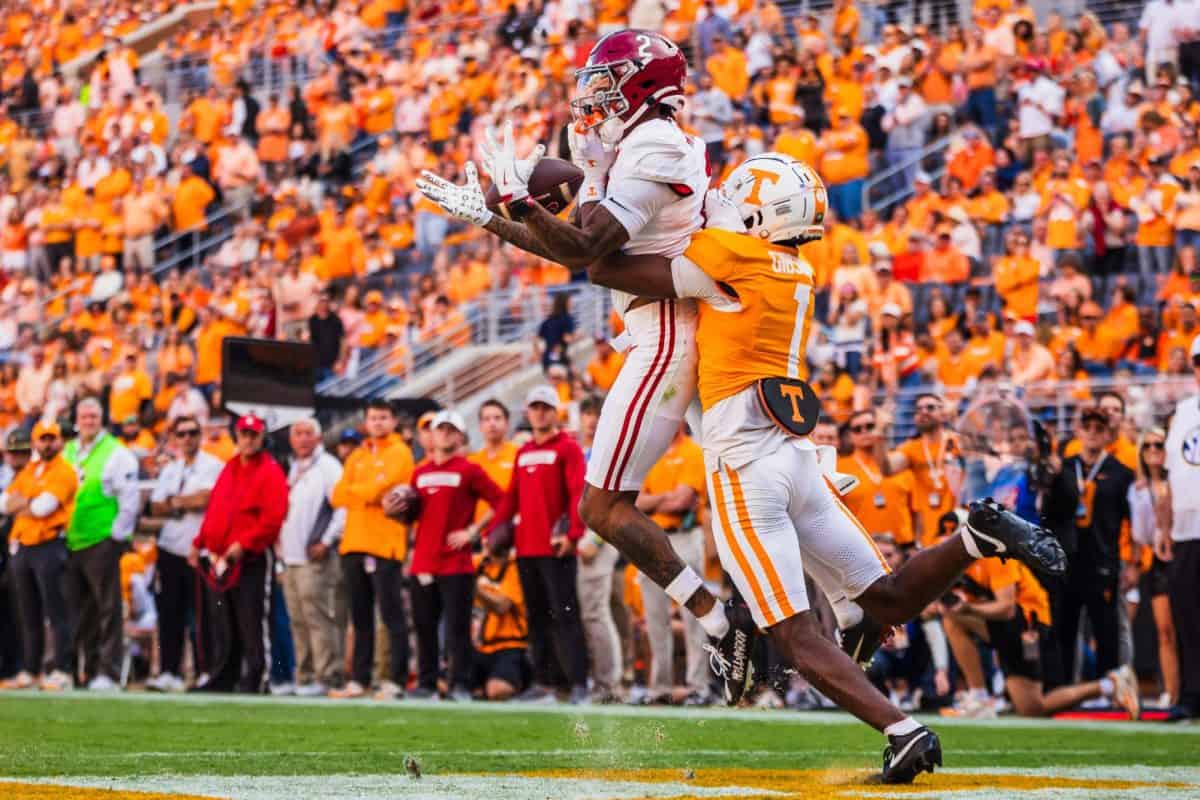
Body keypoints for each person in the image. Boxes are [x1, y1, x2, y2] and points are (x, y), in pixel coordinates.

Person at [586, 152, 1067, 783]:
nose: (724, 206)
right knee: (883, 600)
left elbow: (605, 264)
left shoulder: (731, 256)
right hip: (795, 462)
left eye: (736, 199)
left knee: (792, 633)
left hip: (746, 467)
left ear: (759, 211)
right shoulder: (797, 267)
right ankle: (974, 538)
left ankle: (902, 731)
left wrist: (586, 191)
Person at [418, 31, 755, 702]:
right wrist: (493, 213)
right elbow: (573, 250)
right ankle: (765, 617)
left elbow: (585, 251)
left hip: (663, 336)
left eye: (611, 75)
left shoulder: (654, 143)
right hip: (658, 329)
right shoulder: (633, 146)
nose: (596, 88)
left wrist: (517, 203)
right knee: (731, 487)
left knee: (600, 506)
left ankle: (723, 624)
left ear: (642, 82)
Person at [940, 548, 1140, 718]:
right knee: (1031, 708)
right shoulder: (960, 564)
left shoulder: (994, 556)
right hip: (1007, 625)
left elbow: (1007, 607)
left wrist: (968, 609)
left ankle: (980, 697)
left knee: (953, 619)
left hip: (1027, 626)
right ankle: (1111, 684)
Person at [483, 386, 590, 704]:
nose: (540, 413)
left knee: (566, 616)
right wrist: (493, 533)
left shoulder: (567, 448)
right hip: (527, 549)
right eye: (535, 407)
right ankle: (545, 683)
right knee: (538, 618)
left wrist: (573, 535)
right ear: (527, 413)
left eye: (545, 407)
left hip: (556, 548)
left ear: (555, 411)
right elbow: (509, 500)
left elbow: (577, 494)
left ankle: (578, 683)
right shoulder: (524, 451)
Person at [391, 410, 503, 701]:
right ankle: (427, 684)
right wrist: (399, 515)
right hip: (424, 561)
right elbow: (413, 515)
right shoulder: (419, 473)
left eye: (451, 430)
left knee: (457, 629)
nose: (445, 434)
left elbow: (500, 499)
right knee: (425, 627)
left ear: (460, 436)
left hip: (456, 562)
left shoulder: (469, 470)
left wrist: (473, 532)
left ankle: (460, 685)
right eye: (441, 429)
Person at [189, 414, 289, 693]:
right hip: (221, 558)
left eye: (252, 435)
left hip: (252, 558)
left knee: (253, 619)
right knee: (225, 621)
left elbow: (273, 517)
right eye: (243, 434)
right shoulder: (230, 467)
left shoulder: (270, 471)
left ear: (261, 438)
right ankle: (225, 675)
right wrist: (199, 542)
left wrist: (244, 544)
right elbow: (216, 510)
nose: (247, 440)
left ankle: (258, 676)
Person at [330, 399, 415, 700]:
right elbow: (337, 494)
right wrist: (365, 493)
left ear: (393, 421)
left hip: (385, 543)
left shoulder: (400, 452)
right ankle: (359, 679)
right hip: (354, 541)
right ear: (366, 422)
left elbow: (384, 488)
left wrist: (361, 492)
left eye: (383, 417)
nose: (378, 423)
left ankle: (396, 680)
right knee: (361, 616)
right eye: (373, 418)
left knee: (391, 615)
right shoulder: (358, 454)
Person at [63, 397, 141, 690]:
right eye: (84, 416)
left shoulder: (116, 453)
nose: (88, 421)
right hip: (71, 540)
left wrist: (117, 536)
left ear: (102, 419)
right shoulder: (68, 451)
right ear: (76, 419)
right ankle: (83, 670)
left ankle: (108, 671)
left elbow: (129, 498)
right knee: (80, 612)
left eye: (93, 416)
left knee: (108, 608)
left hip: (101, 540)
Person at [635, 424, 712, 705]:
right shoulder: (647, 453)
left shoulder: (693, 451)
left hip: (684, 536)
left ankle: (698, 686)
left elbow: (684, 501)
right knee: (655, 618)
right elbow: (635, 500)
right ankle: (659, 688)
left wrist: (654, 501)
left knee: (693, 614)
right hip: (653, 538)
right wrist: (664, 499)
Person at [146, 416, 223, 693]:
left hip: (199, 549)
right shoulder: (171, 469)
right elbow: (155, 506)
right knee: (169, 613)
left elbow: (208, 498)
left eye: (192, 433)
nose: (187, 438)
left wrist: (175, 503)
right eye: (182, 434)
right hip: (170, 546)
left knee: (201, 616)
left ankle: (205, 670)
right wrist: (182, 503)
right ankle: (169, 670)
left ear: (200, 435)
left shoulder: (213, 465)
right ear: (175, 438)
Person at [0, 421, 76, 691]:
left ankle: (63, 670)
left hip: (49, 543)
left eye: (51, 439)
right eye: (42, 439)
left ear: (59, 442)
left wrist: (24, 503)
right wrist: (28, 503)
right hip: (24, 545)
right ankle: (31, 670)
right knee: (28, 612)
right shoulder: (30, 470)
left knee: (56, 611)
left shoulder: (64, 471)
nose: (47, 444)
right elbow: (4, 503)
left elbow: (45, 508)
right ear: (35, 442)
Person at [277, 417, 345, 697]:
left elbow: (342, 508)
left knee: (317, 617)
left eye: (308, 434)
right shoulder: (293, 467)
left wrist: (327, 540)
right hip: (291, 556)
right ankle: (304, 676)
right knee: (297, 619)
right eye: (298, 434)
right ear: (291, 439)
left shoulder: (328, 467)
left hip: (314, 556)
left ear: (318, 438)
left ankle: (326, 675)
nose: (303, 439)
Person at [574, 395, 624, 703]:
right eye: (586, 413)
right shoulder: (578, 452)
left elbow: (617, 497)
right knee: (587, 614)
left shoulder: (610, 450)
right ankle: (598, 679)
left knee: (595, 613)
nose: (591, 420)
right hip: (578, 538)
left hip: (599, 537)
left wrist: (595, 539)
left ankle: (609, 683)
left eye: (597, 413)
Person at [1161, 334, 1200, 721]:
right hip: (1187, 529)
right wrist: (1165, 528)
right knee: (1186, 615)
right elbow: (1170, 476)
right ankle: (1191, 693)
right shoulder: (1184, 411)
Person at [1128, 427, 1180, 709]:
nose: (1152, 450)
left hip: (1184, 553)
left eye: (1158, 444)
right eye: (1146, 446)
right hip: (1159, 560)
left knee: (1188, 628)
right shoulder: (1137, 491)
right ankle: (1170, 690)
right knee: (1165, 630)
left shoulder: (1184, 481)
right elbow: (1140, 535)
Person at [879, 393, 961, 547]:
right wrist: (881, 430)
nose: (924, 411)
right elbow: (887, 469)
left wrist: (955, 419)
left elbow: (980, 452)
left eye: (930, 407)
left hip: (961, 528)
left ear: (943, 413)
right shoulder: (911, 447)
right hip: (928, 536)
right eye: (918, 409)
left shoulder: (958, 441)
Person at [839, 409, 914, 547]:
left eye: (870, 426)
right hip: (862, 547)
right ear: (849, 436)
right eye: (857, 429)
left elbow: (915, 510)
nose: (864, 431)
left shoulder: (899, 461)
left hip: (903, 546)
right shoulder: (839, 467)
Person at [472, 552, 530, 700]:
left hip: (510, 645)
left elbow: (502, 606)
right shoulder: (478, 563)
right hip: (480, 647)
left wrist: (474, 589)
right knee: (444, 683)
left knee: (497, 690)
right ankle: (478, 689)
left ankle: (524, 685)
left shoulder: (514, 567)